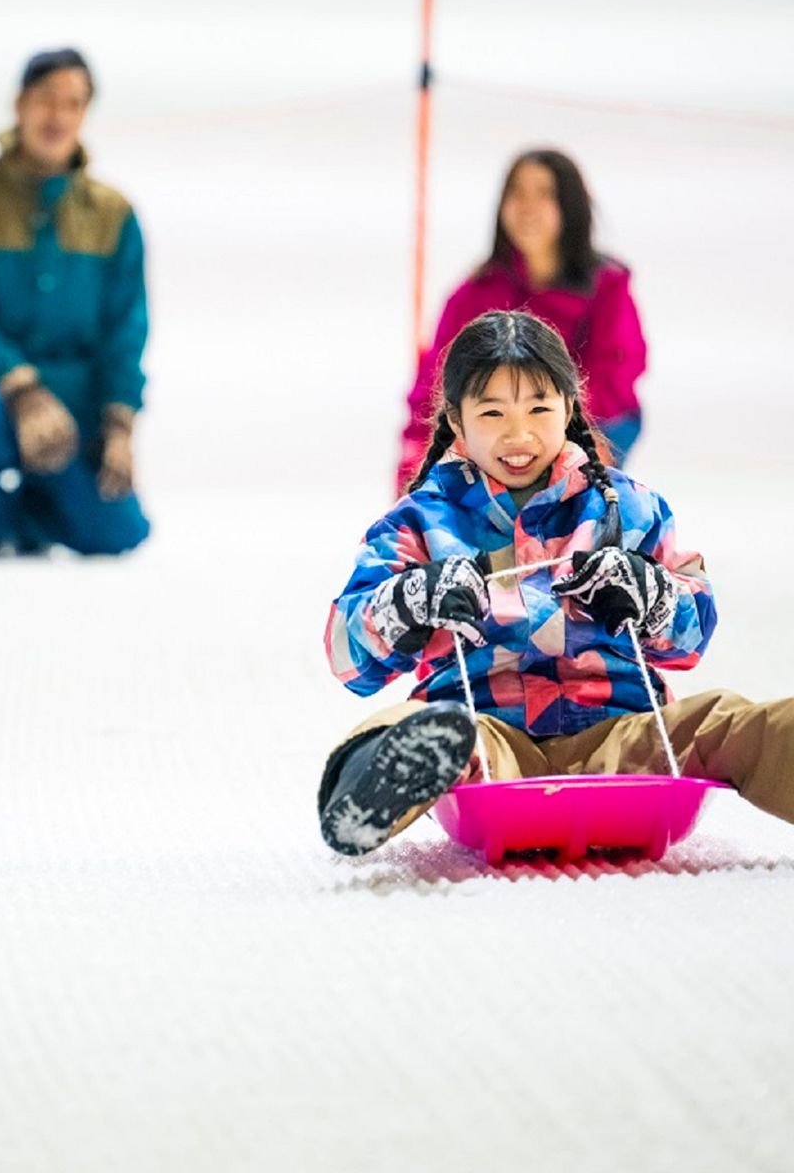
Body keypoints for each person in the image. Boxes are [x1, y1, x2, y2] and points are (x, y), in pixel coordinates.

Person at [320, 311, 792, 857]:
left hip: (622, 734)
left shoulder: (628, 509)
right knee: (428, 730)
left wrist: (654, 596)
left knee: (725, 721)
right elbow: (346, 656)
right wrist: (407, 603)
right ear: (456, 418)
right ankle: (372, 782)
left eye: (539, 409)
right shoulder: (421, 524)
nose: (518, 435)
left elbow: (693, 635)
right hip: (489, 742)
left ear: (569, 407)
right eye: (492, 412)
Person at [0, 47, 150, 557]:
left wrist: (118, 423)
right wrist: (22, 390)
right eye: (47, 99)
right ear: (20, 103)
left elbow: (126, 329)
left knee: (119, 531)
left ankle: (31, 513)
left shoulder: (114, 215)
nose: (58, 116)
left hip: (73, 411)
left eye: (74, 103)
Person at [396, 150, 647, 493]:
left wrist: (551, 430)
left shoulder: (606, 288)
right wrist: (413, 466)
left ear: (569, 206)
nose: (528, 206)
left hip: (587, 433)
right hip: (489, 436)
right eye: (517, 193)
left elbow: (615, 378)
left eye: (544, 194)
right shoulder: (474, 293)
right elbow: (434, 383)